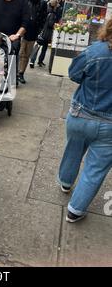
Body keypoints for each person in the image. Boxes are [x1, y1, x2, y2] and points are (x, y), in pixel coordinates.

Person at [57, 18, 112, 223]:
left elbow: (74, 74)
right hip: (110, 125)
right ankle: (75, 211)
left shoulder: (94, 51)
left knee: (73, 150)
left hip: (81, 115)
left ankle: (65, 182)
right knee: (95, 169)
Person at [17, 0, 47, 84]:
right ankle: (16, 72)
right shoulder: (24, 1)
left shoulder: (43, 3)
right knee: (20, 53)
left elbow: (43, 19)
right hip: (22, 32)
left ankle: (21, 73)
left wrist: (39, 31)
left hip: (33, 33)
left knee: (27, 54)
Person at [29, 0, 61, 68]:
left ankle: (32, 61)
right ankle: (39, 61)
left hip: (41, 31)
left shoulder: (45, 10)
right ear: (55, 5)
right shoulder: (52, 13)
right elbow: (50, 24)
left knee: (37, 47)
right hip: (47, 33)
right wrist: (55, 25)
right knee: (44, 48)